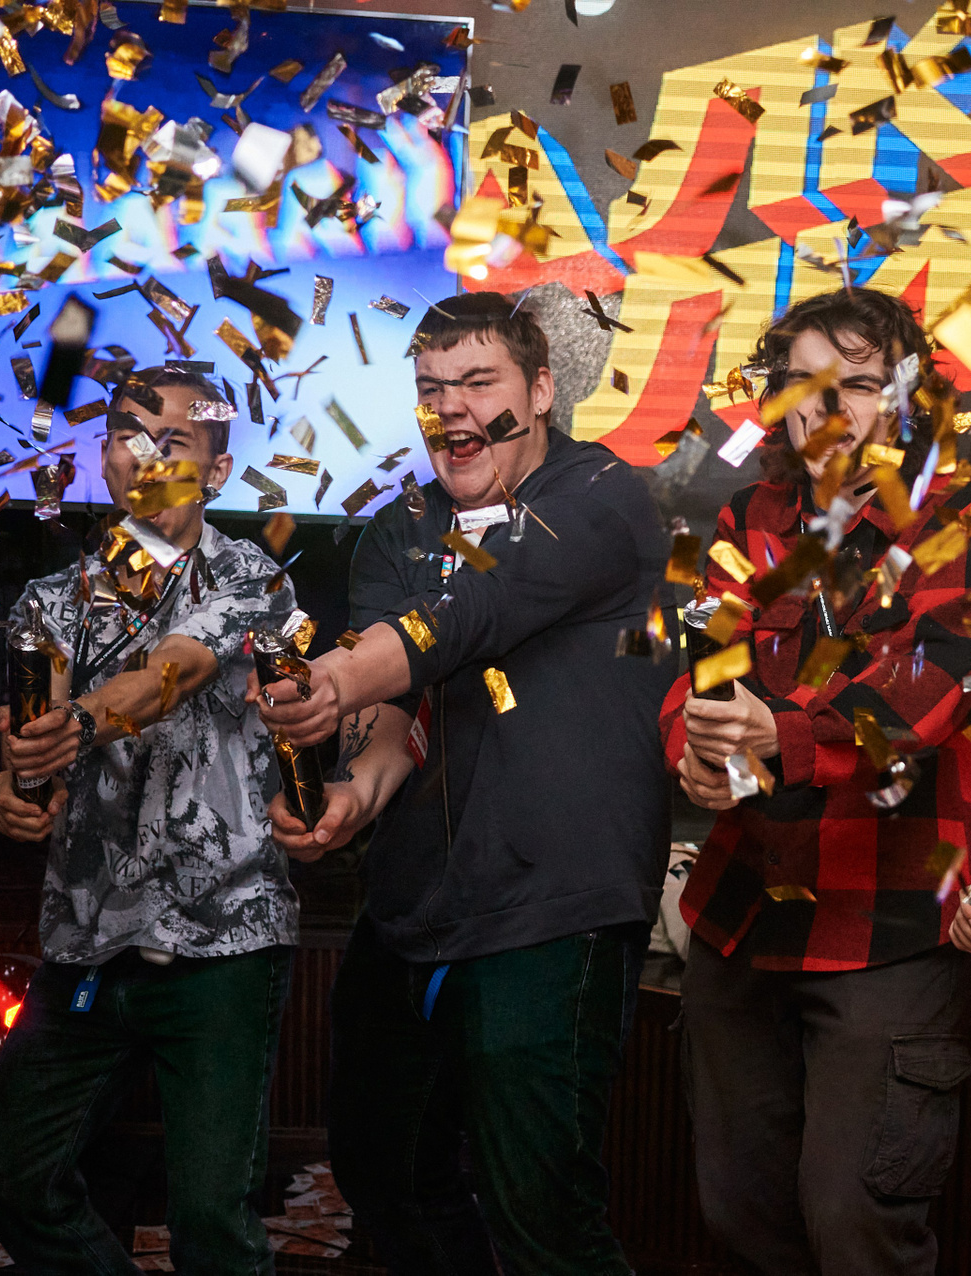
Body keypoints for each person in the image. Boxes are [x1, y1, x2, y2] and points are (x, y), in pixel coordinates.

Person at [251, 292, 671, 1275]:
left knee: (542, 1213)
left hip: (551, 907)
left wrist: (332, 678)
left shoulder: (601, 494)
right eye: (433, 388)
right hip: (414, 906)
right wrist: (353, 791)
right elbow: (397, 705)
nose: (453, 408)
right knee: (384, 1171)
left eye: (480, 382)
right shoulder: (399, 527)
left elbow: (469, 613)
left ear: (541, 390)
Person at [663, 288, 971, 1276]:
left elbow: (930, 690)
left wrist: (777, 735)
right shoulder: (744, 515)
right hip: (743, 915)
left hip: (888, 924)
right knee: (737, 1212)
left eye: (858, 383)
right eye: (805, 383)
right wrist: (697, 747)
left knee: (856, 1223)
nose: (829, 408)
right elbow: (697, 675)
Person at [0, 367, 298, 1275]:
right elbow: (32, 747)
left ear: (218, 472)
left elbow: (170, 674)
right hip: (87, 938)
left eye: (174, 445)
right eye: (128, 435)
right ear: (104, 455)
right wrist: (20, 792)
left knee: (212, 1223)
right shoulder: (49, 603)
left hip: (223, 939)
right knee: (14, 1178)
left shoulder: (252, 578)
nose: (146, 459)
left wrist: (79, 723)